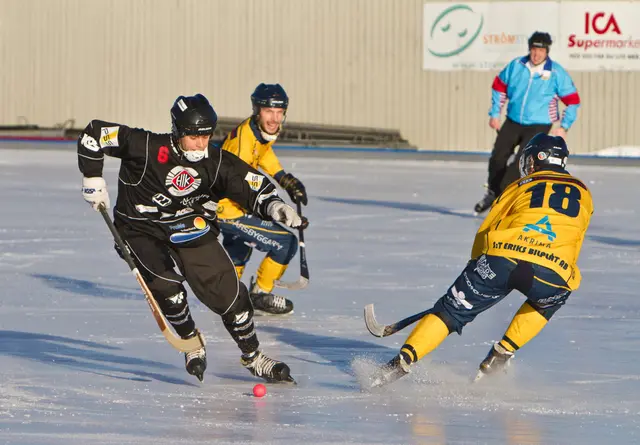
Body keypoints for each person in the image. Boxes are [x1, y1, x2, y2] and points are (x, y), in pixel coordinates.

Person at [78, 93, 303, 384]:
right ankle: (190, 343)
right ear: (177, 132)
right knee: (169, 290)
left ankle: (254, 356)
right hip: (138, 228)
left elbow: (250, 183)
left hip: (189, 225)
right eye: (193, 137)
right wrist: (92, 177)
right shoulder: (145, 146)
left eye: (206, 136)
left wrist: (274, 205)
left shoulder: (214, 160)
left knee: (231, 295)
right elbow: (95, 134)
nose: (200, 143)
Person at [370, 133, 593, 388]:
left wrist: (475, 264)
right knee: (551, 300)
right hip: (552, 269)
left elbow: (489, 227)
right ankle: (501, 353)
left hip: (502, 259)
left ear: (536, 159)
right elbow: (575, 237)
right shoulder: (584, 193)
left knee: (449, 312)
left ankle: (398, 365)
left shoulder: (520, 185)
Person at [217, 83, 307, 316]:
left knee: (238, 249)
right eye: (269, 112)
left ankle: (228, 295)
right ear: (257, 110)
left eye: (279, 113)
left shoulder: (257, 131)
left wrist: (284, 179)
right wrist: (271, 211)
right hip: (228, 208)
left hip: (235, 204)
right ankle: (259, 294)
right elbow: (236, 185)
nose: (274, 119)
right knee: (285, 243)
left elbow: (264, 154)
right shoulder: (242, 145)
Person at [474, 31, 581, 214]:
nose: (536, 54)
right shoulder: (516, 66)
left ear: (547, 51)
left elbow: (573, 101)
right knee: (498, 157)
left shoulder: (556, 73)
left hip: (539, 124)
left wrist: (564, 126)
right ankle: (493, 192)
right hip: (514, 120)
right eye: (533, 49)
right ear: (529, 49)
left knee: (520, 164)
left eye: (540, 50)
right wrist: (495, 114)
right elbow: (499, 87)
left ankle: (502, 199)